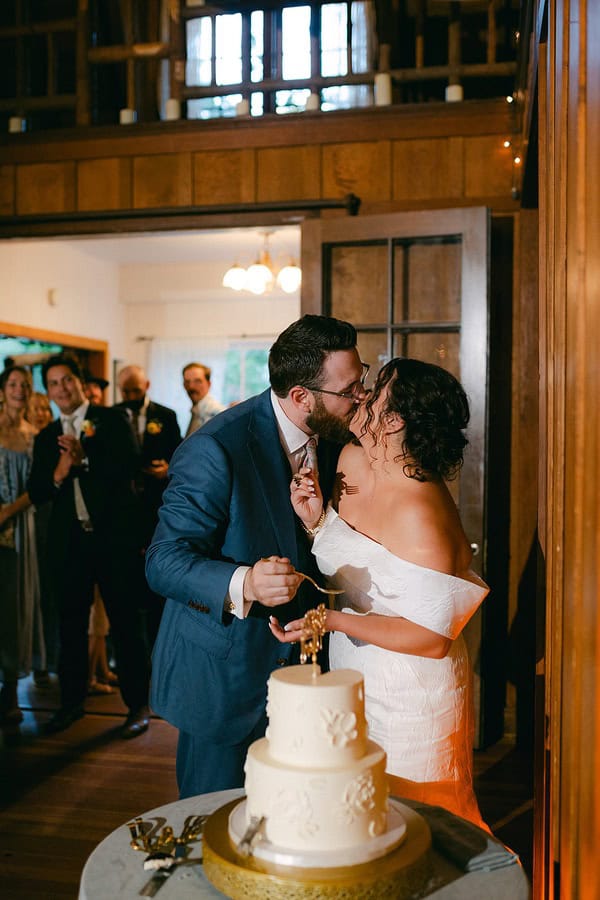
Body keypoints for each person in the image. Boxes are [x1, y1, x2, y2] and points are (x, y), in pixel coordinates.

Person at [146, 315, 368, 798]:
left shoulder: (339, 438)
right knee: (213, 820)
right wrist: (244, 583)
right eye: (349, 390)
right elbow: (162, 560)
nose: (360, 397)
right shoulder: (215, 449)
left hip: (311, 677)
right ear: (301, 396)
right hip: (226, 677)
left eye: (361, 380)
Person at [271, 357, 490, 828]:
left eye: (377, 391)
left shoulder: (420, 513)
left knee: (412, 817)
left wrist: (328, 620)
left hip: (410, 684)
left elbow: (432, 639)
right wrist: (316, 521)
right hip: (356, 664)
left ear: (393, 420)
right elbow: (358, 561)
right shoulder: (351, 459)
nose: (363, 395)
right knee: (360, 809)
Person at [27, 354, 151, 738]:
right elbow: (37, 491)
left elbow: (131, 465)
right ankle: (71, 704)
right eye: (53, 384)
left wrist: (86, 459)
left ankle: (138, 705)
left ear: (81, 383)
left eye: (67, 380)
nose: (61, 389)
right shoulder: (47, 436)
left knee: (126, 624)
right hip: (70, 545)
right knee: (70, 624)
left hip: (113, 540)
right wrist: (59, 473)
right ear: (48, 393)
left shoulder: (111, 420)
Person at [115, 364, 181, 649]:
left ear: (147, 386)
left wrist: (167, 468)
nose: (129, 395)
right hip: (125, 508)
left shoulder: (165, 415)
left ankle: (158, 641)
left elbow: (179, 456)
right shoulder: (113, 416)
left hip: (156, 504)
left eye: (134, 389)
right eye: (125, 390)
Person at [0, 366, 46, 722]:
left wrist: (7, 512)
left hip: (20, 529)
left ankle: (12, 690)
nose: (19, 390)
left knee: (14, 608)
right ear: (3, 389)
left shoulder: (34, 436)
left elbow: (39, 487)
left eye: (25, 385)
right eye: (13, 384)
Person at [182, 362, 225, 436]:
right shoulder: (196, 411)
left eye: (197, 381)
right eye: (187, 382)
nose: (191, 386)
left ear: (209, 384)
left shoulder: (217, 413)